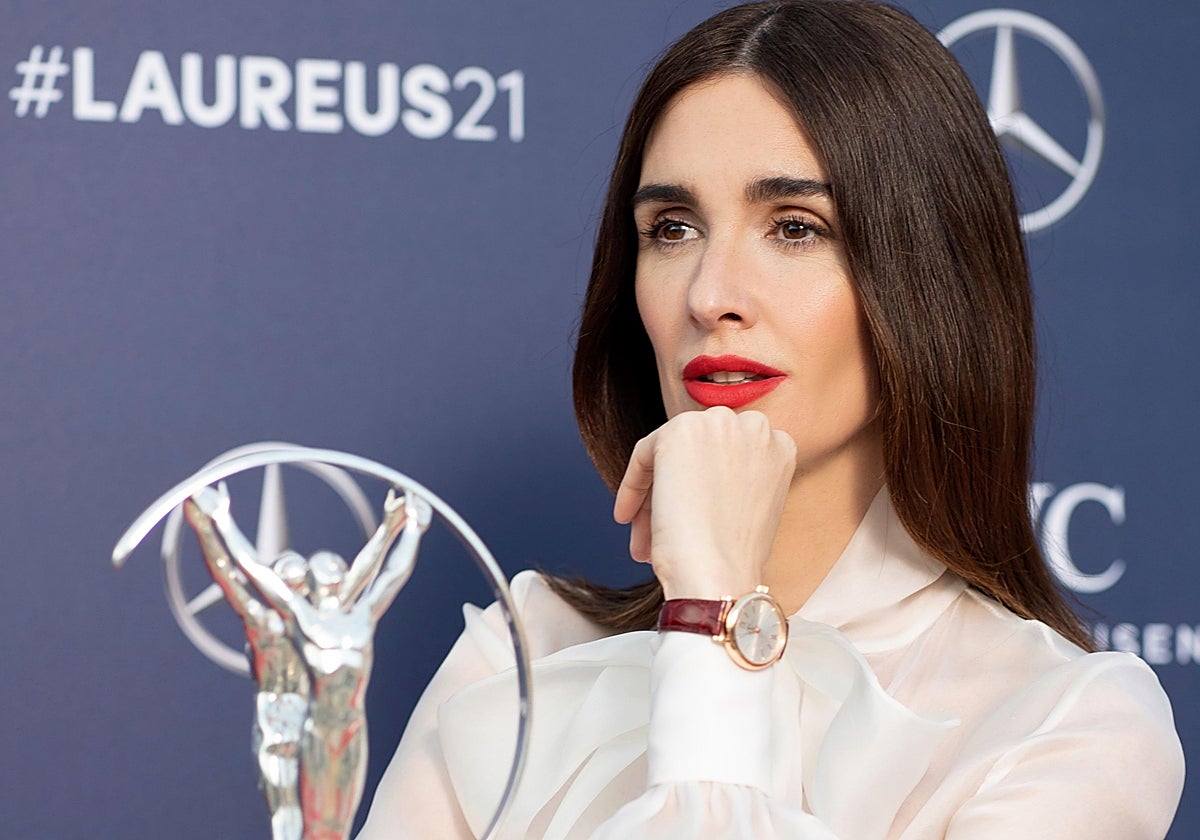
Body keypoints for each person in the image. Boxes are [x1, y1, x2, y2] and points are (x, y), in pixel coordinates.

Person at [357, 2, 1185, 837]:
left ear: (930, 278)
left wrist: (713, 608)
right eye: (672, 229)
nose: (710, 294)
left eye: (795, 228)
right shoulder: (524, 658)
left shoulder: (1069, 725)